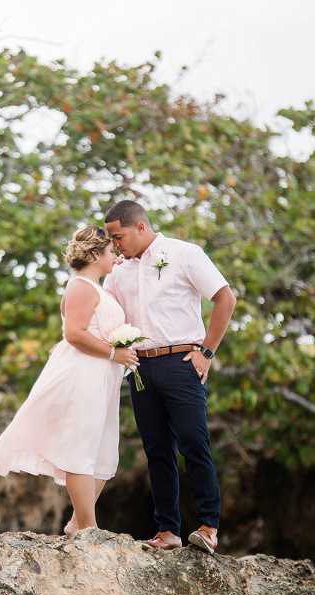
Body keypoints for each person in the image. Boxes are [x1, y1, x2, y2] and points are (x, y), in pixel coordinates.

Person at [0, 225, 140, 534]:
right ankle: (88, 530)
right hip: (84, 377)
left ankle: (75, 524)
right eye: (111, 252)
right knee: (80, 450)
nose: (117, 257)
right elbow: (74, 333)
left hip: (101, 380)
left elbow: (79, 331)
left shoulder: (96, 288)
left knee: (103, 454)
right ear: (96, 254)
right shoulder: (81, 286)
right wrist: (113, 353)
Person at [103, 200, 236, 555]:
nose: (115, 244)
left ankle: (208, 526)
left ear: (140, 228)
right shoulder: (117, 270)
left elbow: (225, 298)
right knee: (157, 450)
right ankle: (167, 531)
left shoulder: (184, 253)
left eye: (118, 236)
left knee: (194, 442)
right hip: (139, 367)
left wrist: (206, 352)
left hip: (182, 362)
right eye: (111, 239)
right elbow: (105, 313)